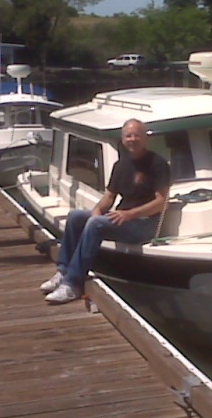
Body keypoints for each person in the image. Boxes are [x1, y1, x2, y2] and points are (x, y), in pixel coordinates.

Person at [40, 118, 171, 304]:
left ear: (145, 138)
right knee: (76, 216)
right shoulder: (121, 165)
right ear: (123, 139)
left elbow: (161, 202)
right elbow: (109, 197)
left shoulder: (157, 164)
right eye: (128, 136)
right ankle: (62, 272)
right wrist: (97, 211)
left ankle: (72, 284)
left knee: (96, 224)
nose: (132, 139)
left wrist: (129, 214)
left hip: (144, 223)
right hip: (122, 219)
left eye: (137, 135)